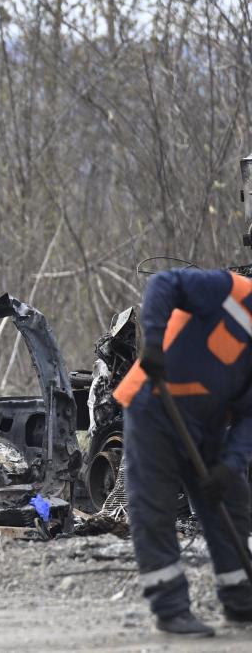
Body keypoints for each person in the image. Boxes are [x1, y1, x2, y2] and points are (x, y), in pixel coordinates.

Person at [114, 268, 252, 636]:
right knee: (155, 507)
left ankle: (241, 602)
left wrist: (230, 466)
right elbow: (162, 283)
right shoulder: (230, 291)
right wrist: (155, 343)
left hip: (206, 425)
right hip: (154, 404)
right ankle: (171, 610)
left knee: (231, 499)